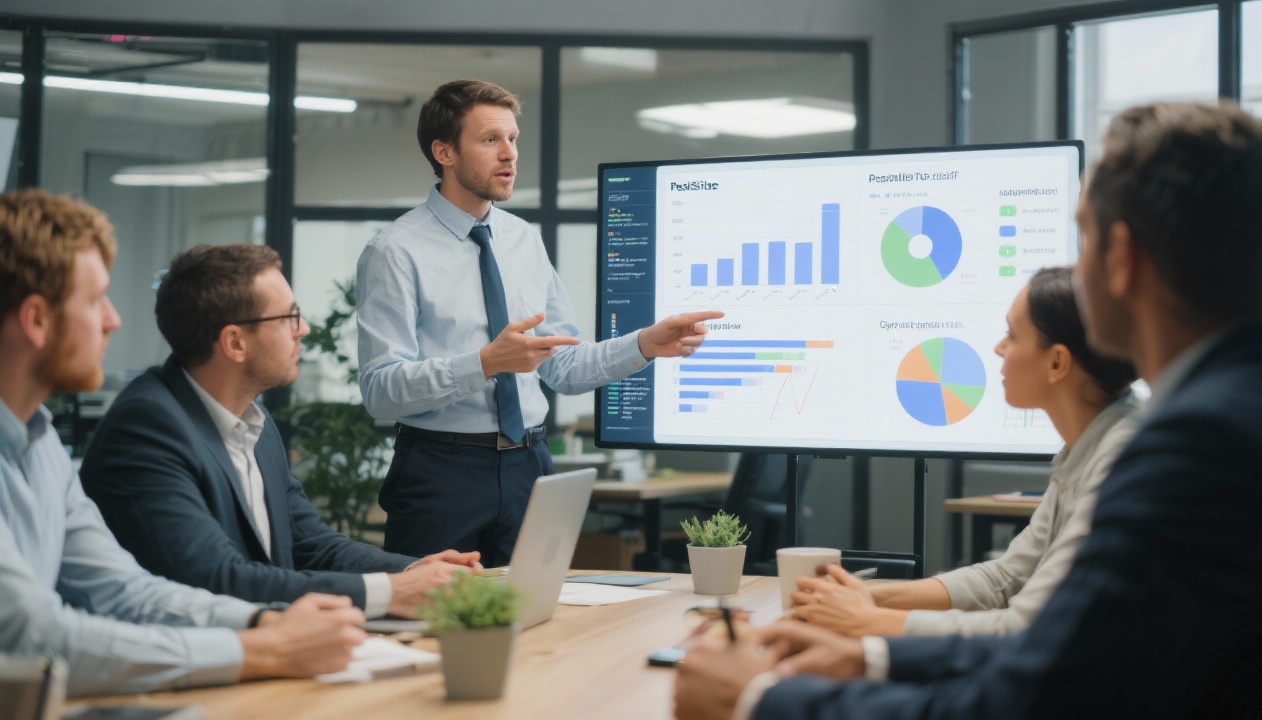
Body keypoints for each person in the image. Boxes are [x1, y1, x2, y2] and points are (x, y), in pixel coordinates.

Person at [673, 101, 1262, 720]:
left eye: (1084, 233)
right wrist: (872, 657)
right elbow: (1062, 652)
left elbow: (1031, 698)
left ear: (1121, 258)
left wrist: (758, 698)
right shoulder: (1243, 411)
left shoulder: (1200, 448)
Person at [0, 189, 365, 697]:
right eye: (94, 300)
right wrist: (260, 650)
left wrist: (264, 622)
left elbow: (127, 593)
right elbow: (33, 638)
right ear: (37, 320)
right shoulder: (147, 421)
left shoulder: (39, 445)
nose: (113, 319)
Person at [357, 79, 723, 564]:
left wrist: (644, 345)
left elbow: (564, 368)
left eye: (513, 139)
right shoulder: (395, 251)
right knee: (431, 626)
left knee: (540, 618)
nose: (509, 155)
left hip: (531, 466)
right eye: (490, 140)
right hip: (440, 473)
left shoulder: (522, 240)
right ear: (443, 151)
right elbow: (381, 390)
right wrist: (485, 363)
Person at [79, 244, 481, 620]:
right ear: (235, 342)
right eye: (289, 316)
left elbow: (311, 544)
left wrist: (416, 570)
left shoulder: (255, 419)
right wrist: (390, 592)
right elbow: (218, 580)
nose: (303, 329)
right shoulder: (147, 429)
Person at [792, 266, 1138, 638]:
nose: (998, 347)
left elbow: (1024, 628)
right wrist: (871, 598)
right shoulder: (1088, 444)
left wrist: (867, 621)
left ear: (1057, 362)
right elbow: (1006, 577)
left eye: (1012, 334)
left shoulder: (1121, 458)